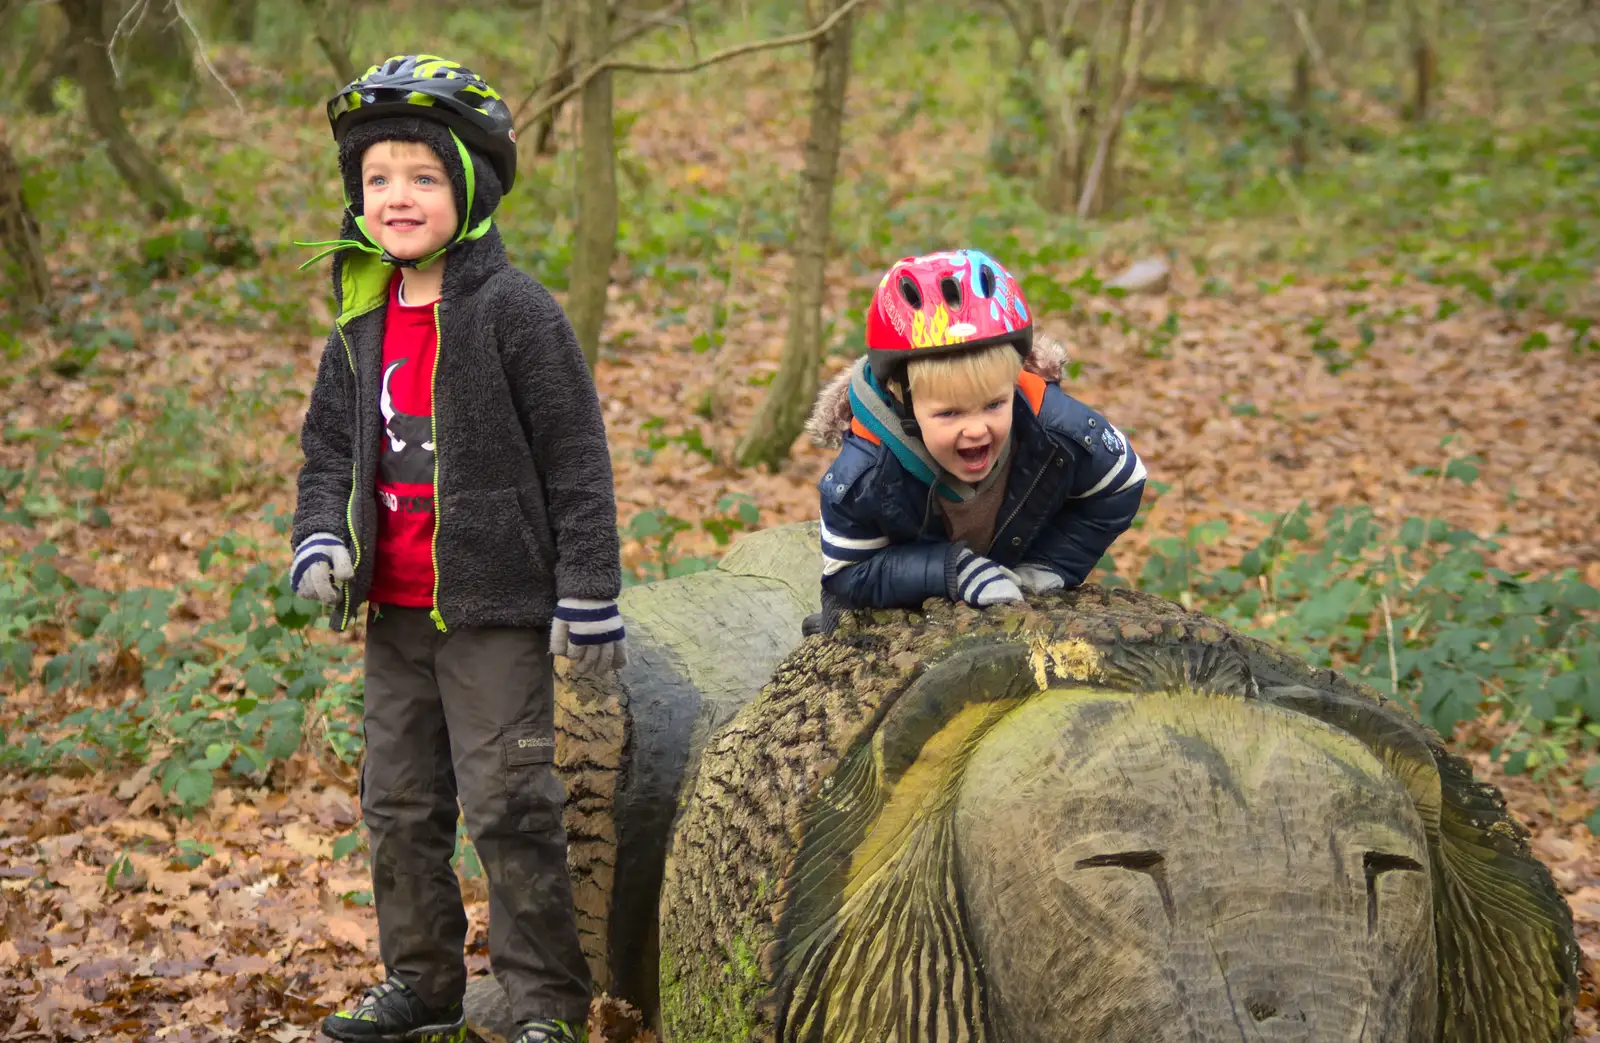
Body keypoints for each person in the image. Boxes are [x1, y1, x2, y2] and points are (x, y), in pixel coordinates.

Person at [289, 54, 622, 1043]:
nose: (396, 197)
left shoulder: (514, 312)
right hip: (392, 609)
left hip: (494, 611)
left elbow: (576, 455)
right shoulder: (357, 316)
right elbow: (330, 445)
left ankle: (545, 1002)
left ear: (470, 186)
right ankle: (423, 978)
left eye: (422, 177)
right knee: (396, 807)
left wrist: (588, 590)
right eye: (377, 177)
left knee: (511, 804)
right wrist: (320, 535)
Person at [805, 250, 1145, 619]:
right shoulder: (865, 473)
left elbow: (1122, 483)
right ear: (902, 400)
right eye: (949, 413)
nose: (977, 429)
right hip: (897, 615)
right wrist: (951, 571)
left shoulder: (1054, 426)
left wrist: (1051, 563)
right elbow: (847, 573)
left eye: (994, 405)